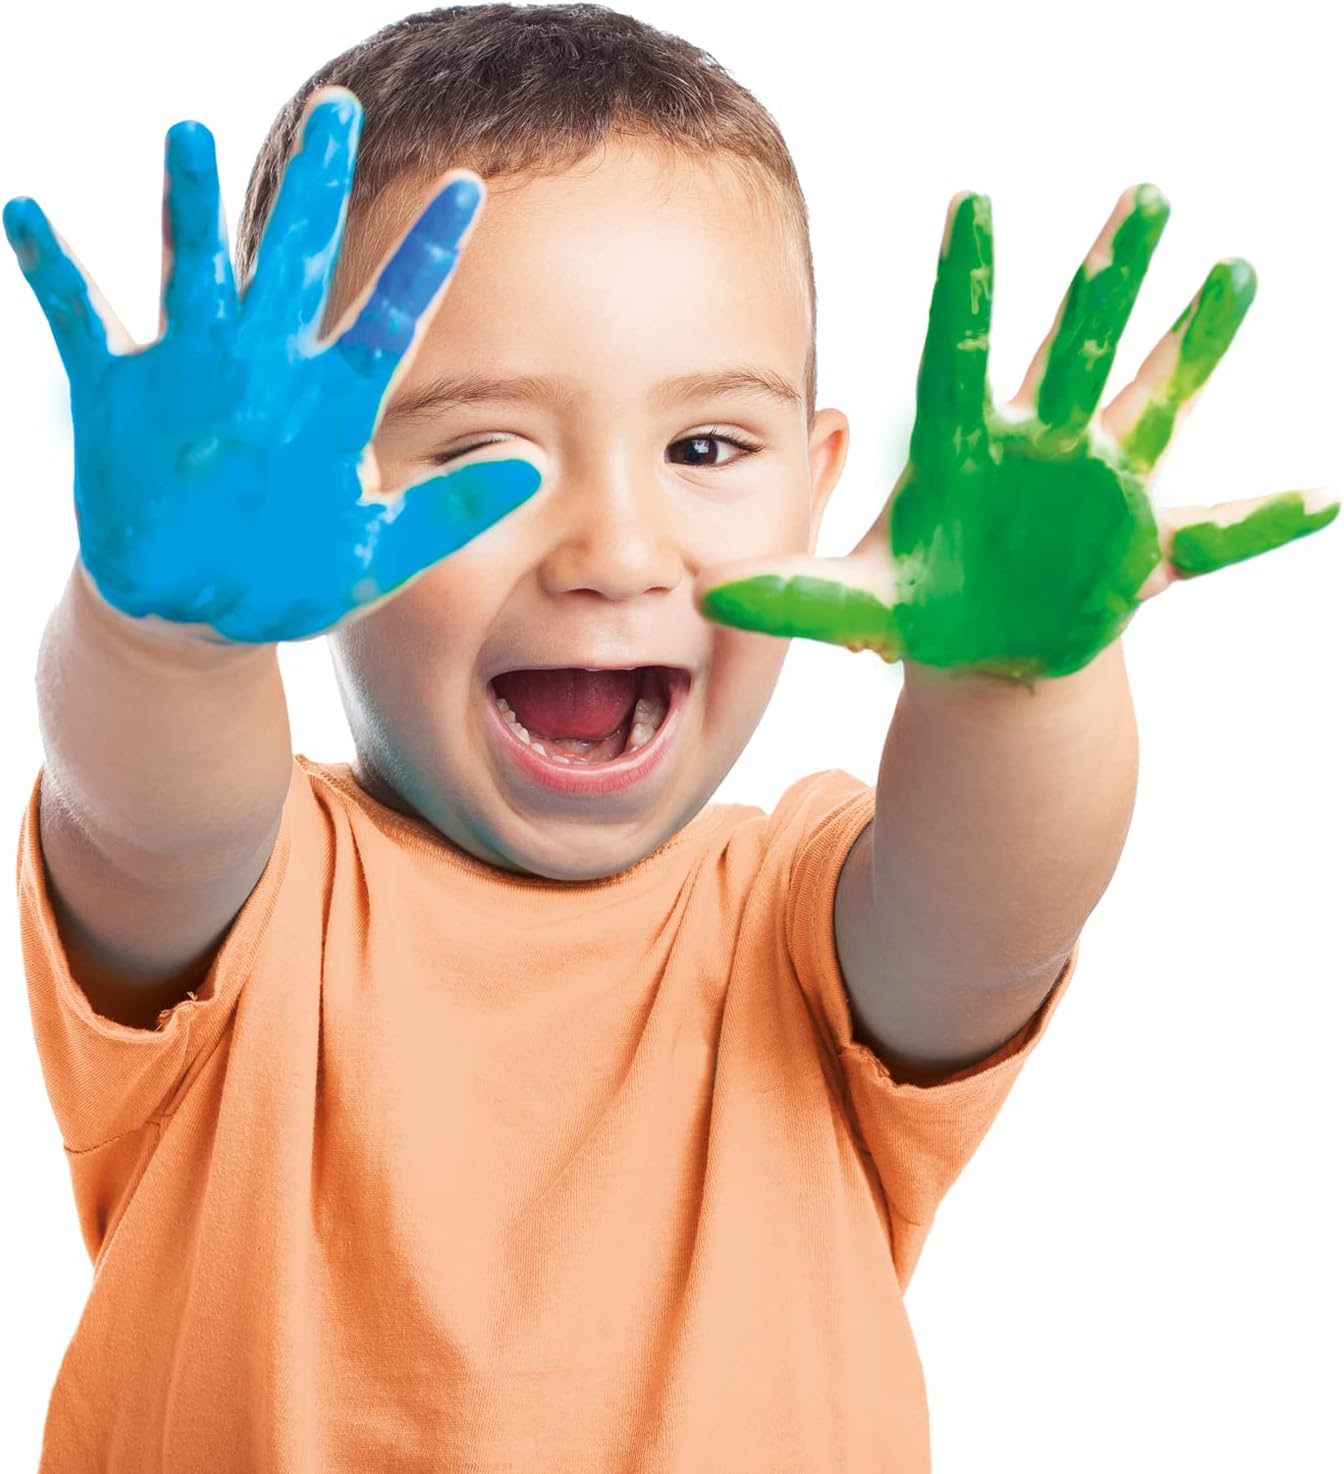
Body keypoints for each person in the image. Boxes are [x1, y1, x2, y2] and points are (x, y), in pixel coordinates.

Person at [7, 4, 1335, 1470]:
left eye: (705, 448)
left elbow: (996, 905)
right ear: (313, 488)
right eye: (489, 451)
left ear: (819, 490)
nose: (617, 551)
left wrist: (1016, 678)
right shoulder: (247, 904)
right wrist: (169, 627)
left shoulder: (805, 925)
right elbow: (145, 798)